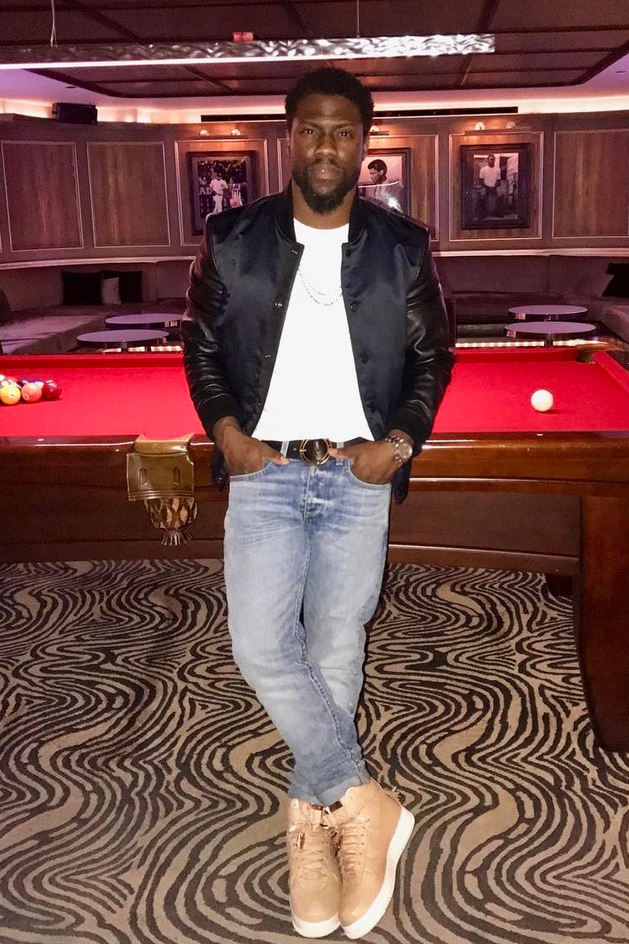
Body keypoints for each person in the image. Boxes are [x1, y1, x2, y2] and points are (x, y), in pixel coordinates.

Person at [182, 66, 454, 940]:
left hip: (353, 475)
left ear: (363, 143)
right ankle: (363, 799)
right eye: (312, 129)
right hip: (262, 471)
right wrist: (225, 430)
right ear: (289, 137)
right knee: (262, 646)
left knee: (337, 648)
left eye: (343, 131)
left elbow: (432, 357)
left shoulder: (402, 246)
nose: (326, 145)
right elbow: (200, 348)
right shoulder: (231, 237)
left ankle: (313, 825)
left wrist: (398, 443)